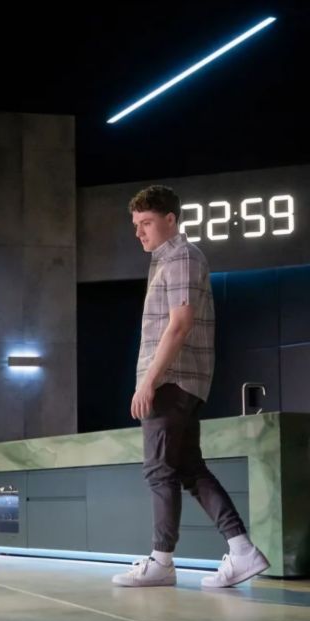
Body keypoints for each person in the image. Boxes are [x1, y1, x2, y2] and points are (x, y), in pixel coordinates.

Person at [112, 185, 269, 589]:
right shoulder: (168, 260)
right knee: (189, 469)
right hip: (179, 381)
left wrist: (148, 382)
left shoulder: (182, 256)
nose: (139, 232)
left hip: (171, 380)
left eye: (146, 223)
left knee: (158, 470)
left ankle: (161, 561)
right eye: (136, 224)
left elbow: (179, 325)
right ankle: (241, 550)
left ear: (171, 220)